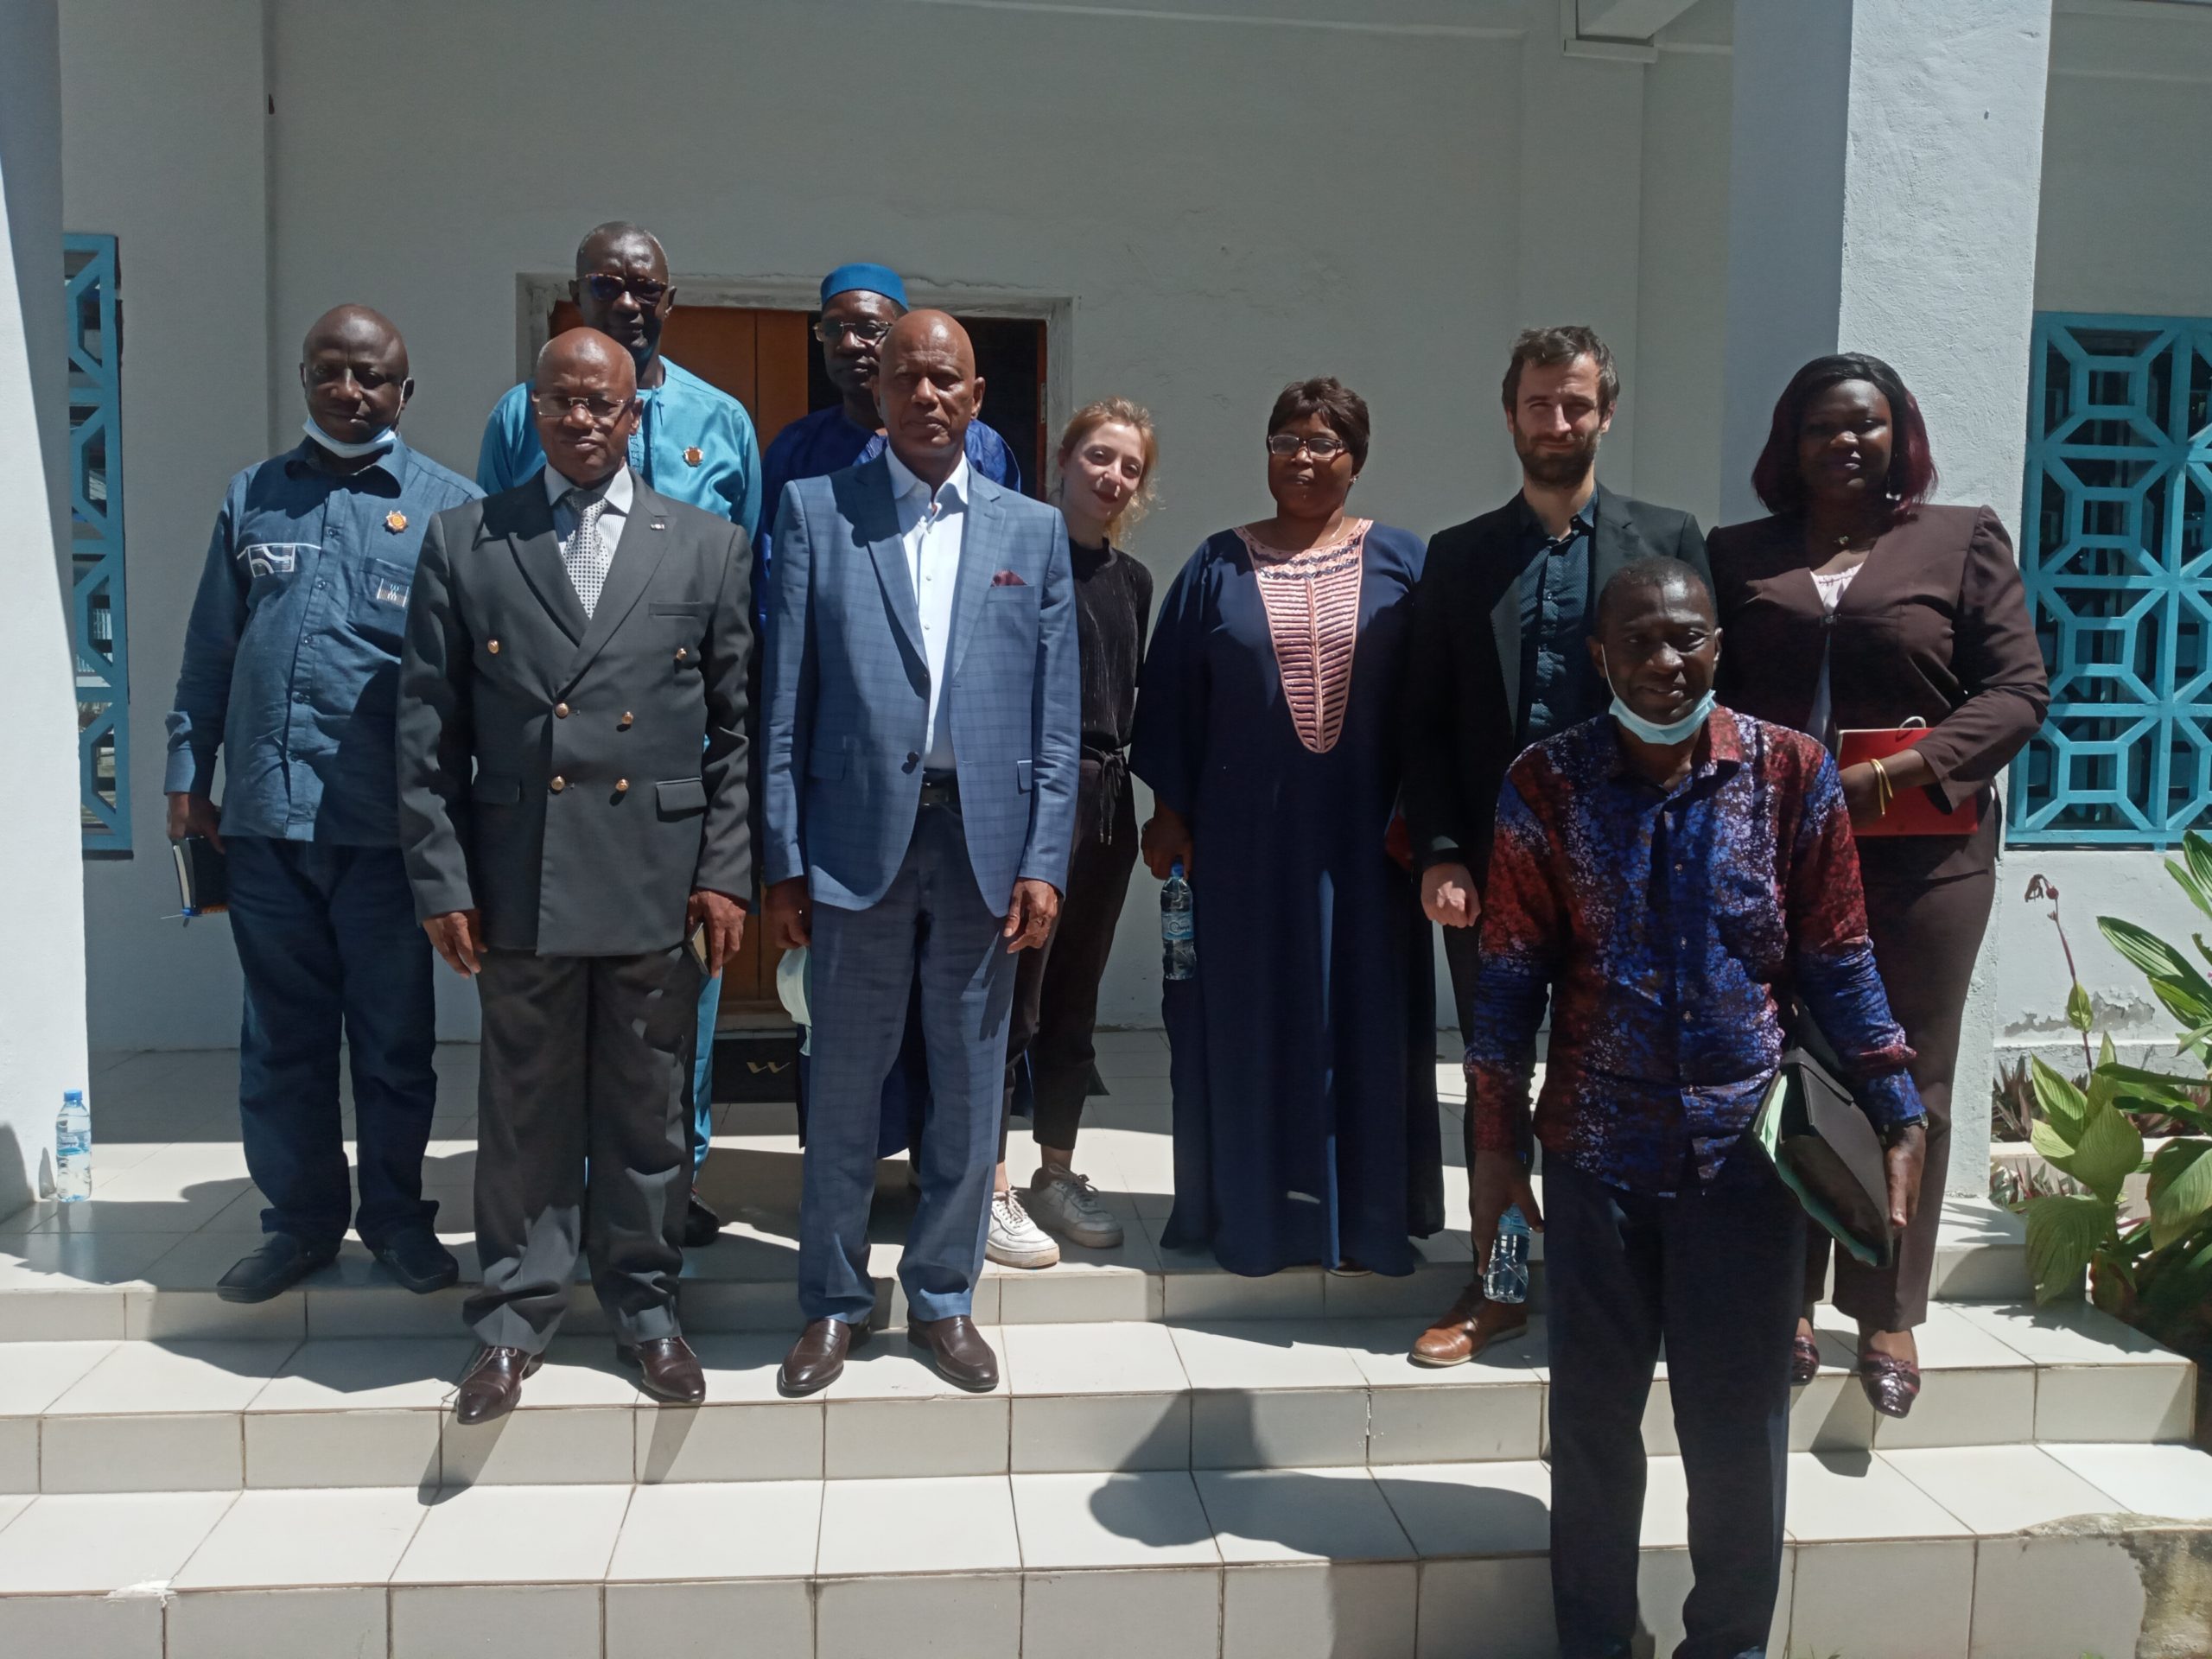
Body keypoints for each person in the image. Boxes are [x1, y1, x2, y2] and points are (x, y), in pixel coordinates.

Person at [1466, 556, 1926, 1659]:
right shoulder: (1546, 785)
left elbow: (1837, 954)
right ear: (1600, 657)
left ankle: (1726, 1645)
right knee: (1591, 1424)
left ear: (1718, 645)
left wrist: (1897, 1106)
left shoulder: (1791, 774)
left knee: (1737, 1429)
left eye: (1688, 638)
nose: (1666, 662)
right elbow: (1508, 978)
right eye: (1640, 641)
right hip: (1596, 1152)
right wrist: (1493, 1151)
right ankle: (1593, 1640)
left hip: (1745, 1158)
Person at [398, 327, 753, 1422]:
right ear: (533, 411)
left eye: (602, 402)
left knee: (648, 1110)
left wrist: (725, 872)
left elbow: (737, 730)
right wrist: (443, 880)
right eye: (561, 401)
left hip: (657, 871)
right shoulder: (467, 539)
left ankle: (647, 1308)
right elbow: (426, 731)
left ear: (633, 414)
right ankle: (513, 1318)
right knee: (525, 1112)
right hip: (522, 873)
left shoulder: (707, 546)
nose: (582, 419)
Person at [1709, 353, 2048, 1417]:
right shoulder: (1737, 553)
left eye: (1865, 424)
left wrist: (1893, 772)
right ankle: (1787, 1296)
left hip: (1922, 860)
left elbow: (2017, 691)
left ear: (1899, 437)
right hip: (1773, 854)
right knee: (1778, 1066)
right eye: (1822, 426)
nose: (1844, 442)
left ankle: (1886, 1306)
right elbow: (1703, 689)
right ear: (1790, 442)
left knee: (1909, 1076)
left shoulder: (1959, 539)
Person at [763, 310, 1077, 1398]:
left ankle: (943, 1296)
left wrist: (1044, 858)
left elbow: (1055, 718)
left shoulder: (1032, 532)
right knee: (843, 1082)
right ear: (878, 394)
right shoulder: (817, 512)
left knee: (969, 1082)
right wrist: (783, 858)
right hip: (855, 841)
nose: (927, 396)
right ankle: (832, 1300)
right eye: (908, 379)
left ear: (976, 398)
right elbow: (784, 702)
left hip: (983, 842)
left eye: (947, 380)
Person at [1401, 325, 1709, 1365]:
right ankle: (1497, 1284)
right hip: (1492, 876)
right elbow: (1424, 721)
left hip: (1630, 874)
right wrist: (1442, 851)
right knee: (1493, 1083)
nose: (1557, 420)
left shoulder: (1667, 541)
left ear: (1605, 414)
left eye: (1575, 402)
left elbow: (1701, 710)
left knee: (1616, 1079)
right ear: (1510, 414)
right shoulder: (1458, 556)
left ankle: (1612, 1285)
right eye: (1538, 402)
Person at [167, 305, 478, 1305]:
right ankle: (298, 1225)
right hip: (265, 826)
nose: (350, 391)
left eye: (371, 376)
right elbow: (211, 650)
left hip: (387, 835)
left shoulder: (450, 510)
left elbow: (474, 685)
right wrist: (188, 775)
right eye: (330, 372)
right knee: (282, 1045)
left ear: (404, 391)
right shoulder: (253, 497)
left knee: (393, 1046)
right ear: (304, 378)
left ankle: (396, 1221)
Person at [479, 221, 764, 1252]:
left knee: (671, 1015)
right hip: (556, 771)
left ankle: (669, 1182)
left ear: (670, 301)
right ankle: (565, 1202)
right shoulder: (519, 412)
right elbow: (495, 568)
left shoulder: (722, 421)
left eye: (647, 288)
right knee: (550, 1030)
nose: (629, 302)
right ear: (577, 293)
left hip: (665, 780)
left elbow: (744, 587)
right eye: (607, 285)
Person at [1132, 378, 1443, 1277]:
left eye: (1322, 442)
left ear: (1357, 459)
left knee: (1363, 1021)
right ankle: (1253, 1219)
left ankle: (1367, 1221)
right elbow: (1171, 697)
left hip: (1369, 848)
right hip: (1243, 849)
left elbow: (1436, 702)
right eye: (1285, 441)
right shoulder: (1215, 565)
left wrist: (1434, 832)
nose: (1301, 458)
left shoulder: (1404, 561)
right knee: (1250, 1020)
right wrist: (1170, 814)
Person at [988, 399, 1159, 1268]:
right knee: (1011, 999)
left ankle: (1055, 1171)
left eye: (1130, 467)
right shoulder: (1015, 559)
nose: (1112, 477)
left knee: (1073, 998)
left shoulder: (1133, 581)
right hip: (1029, 800)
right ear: (1062, 459)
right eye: (1099, 456)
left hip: (1107, 805)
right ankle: (987, 1185)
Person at [756, 263, 1021, 574]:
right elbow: (774, 568)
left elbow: (1007, 560)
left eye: (869, 328)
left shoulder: (977, 445)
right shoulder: (797, 448)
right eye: (832, 329)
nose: (848, 344)